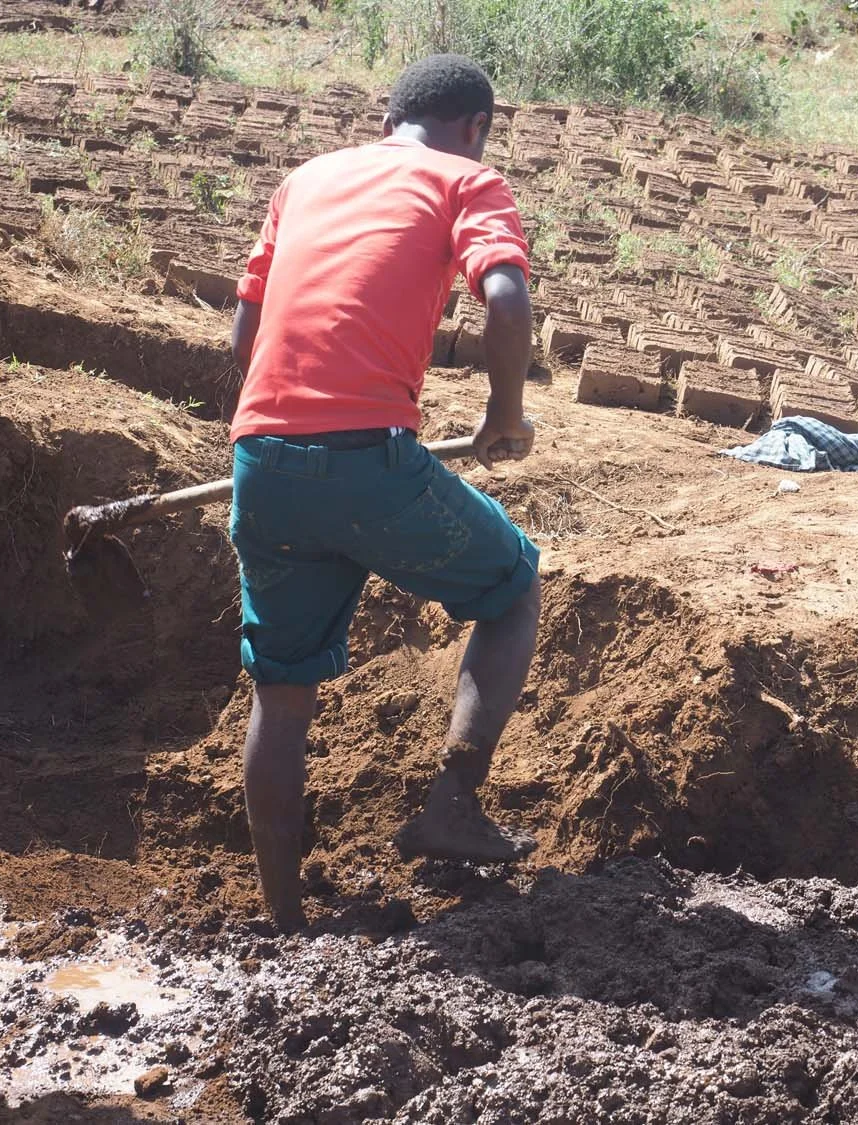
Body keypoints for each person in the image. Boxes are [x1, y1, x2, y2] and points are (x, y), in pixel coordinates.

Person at [227, 54, 541, 932]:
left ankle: (285, 921)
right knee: (512, 587)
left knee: (281, 696)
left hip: (263, 457)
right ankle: (452, 805)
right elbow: (507, 302)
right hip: (368, 457)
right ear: (476, 123)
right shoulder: (467, 179)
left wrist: (267, 440)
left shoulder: (308, 178)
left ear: (391, 114)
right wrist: (503, 415)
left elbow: (245, 325)